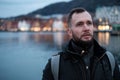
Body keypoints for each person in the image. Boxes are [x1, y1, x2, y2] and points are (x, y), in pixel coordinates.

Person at [42, 8, 120, 80]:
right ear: (69, 32)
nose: (86, 28)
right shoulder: (55, 65)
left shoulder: (109, 59)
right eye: (79, 24)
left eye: (89, 23)